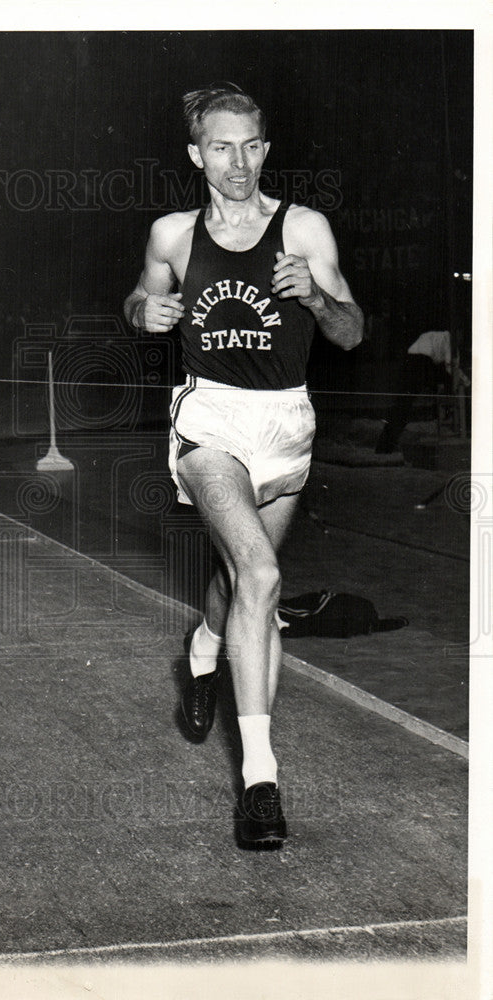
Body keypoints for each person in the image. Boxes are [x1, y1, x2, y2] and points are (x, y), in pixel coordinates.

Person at [124, 83, 363, 848]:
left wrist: (319, 301)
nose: (238, 162)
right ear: (197, 154)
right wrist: (146, 313)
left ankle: (202, 649)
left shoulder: (303, 227)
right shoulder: (172, 234)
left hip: (286, 424)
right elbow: (140, 300)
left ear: (266, 148)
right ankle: (260, 783)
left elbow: (353, 333)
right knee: (259, 575)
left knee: (237, 585)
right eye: (221, 147)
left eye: (251, 145)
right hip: (211, 421)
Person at [374, 328, 470, 454]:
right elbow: (450, 366)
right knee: (404, 405)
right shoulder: (449, 341)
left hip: (410, 360)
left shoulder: (436, 336)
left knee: (402, 405)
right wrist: (467, 382)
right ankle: (448, 412)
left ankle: (384, 446)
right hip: (422, 363)